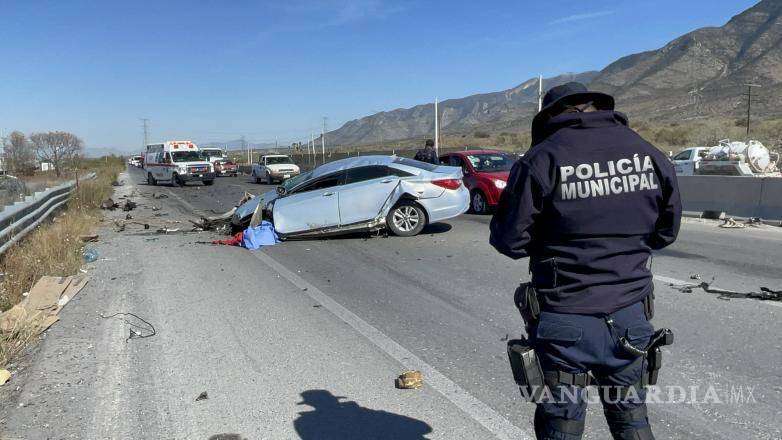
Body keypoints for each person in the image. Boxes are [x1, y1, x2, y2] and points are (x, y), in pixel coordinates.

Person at [490, 82, 681, 440]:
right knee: (632, 420)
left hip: (565, 320)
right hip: (630, 314)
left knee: (560, 425)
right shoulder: (647, 152)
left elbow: (509, 241)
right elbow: (666, 232)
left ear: (551, 116)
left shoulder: (541, 159)